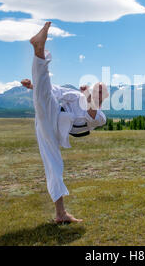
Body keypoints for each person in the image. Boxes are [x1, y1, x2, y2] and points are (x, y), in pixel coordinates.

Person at [22, 22, 109, 224]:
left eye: (99, 94)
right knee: (45, 97)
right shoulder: (75, 96)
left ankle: (60, 214)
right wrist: (34, 86)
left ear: (103, 98)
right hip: (51, 115)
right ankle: (39, 50)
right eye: (95, 91)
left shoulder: (101, 117)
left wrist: (90, 100)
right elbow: (51, 91)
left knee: (55, 166)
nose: (96, 95)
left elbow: (92, 117)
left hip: (57, 133)